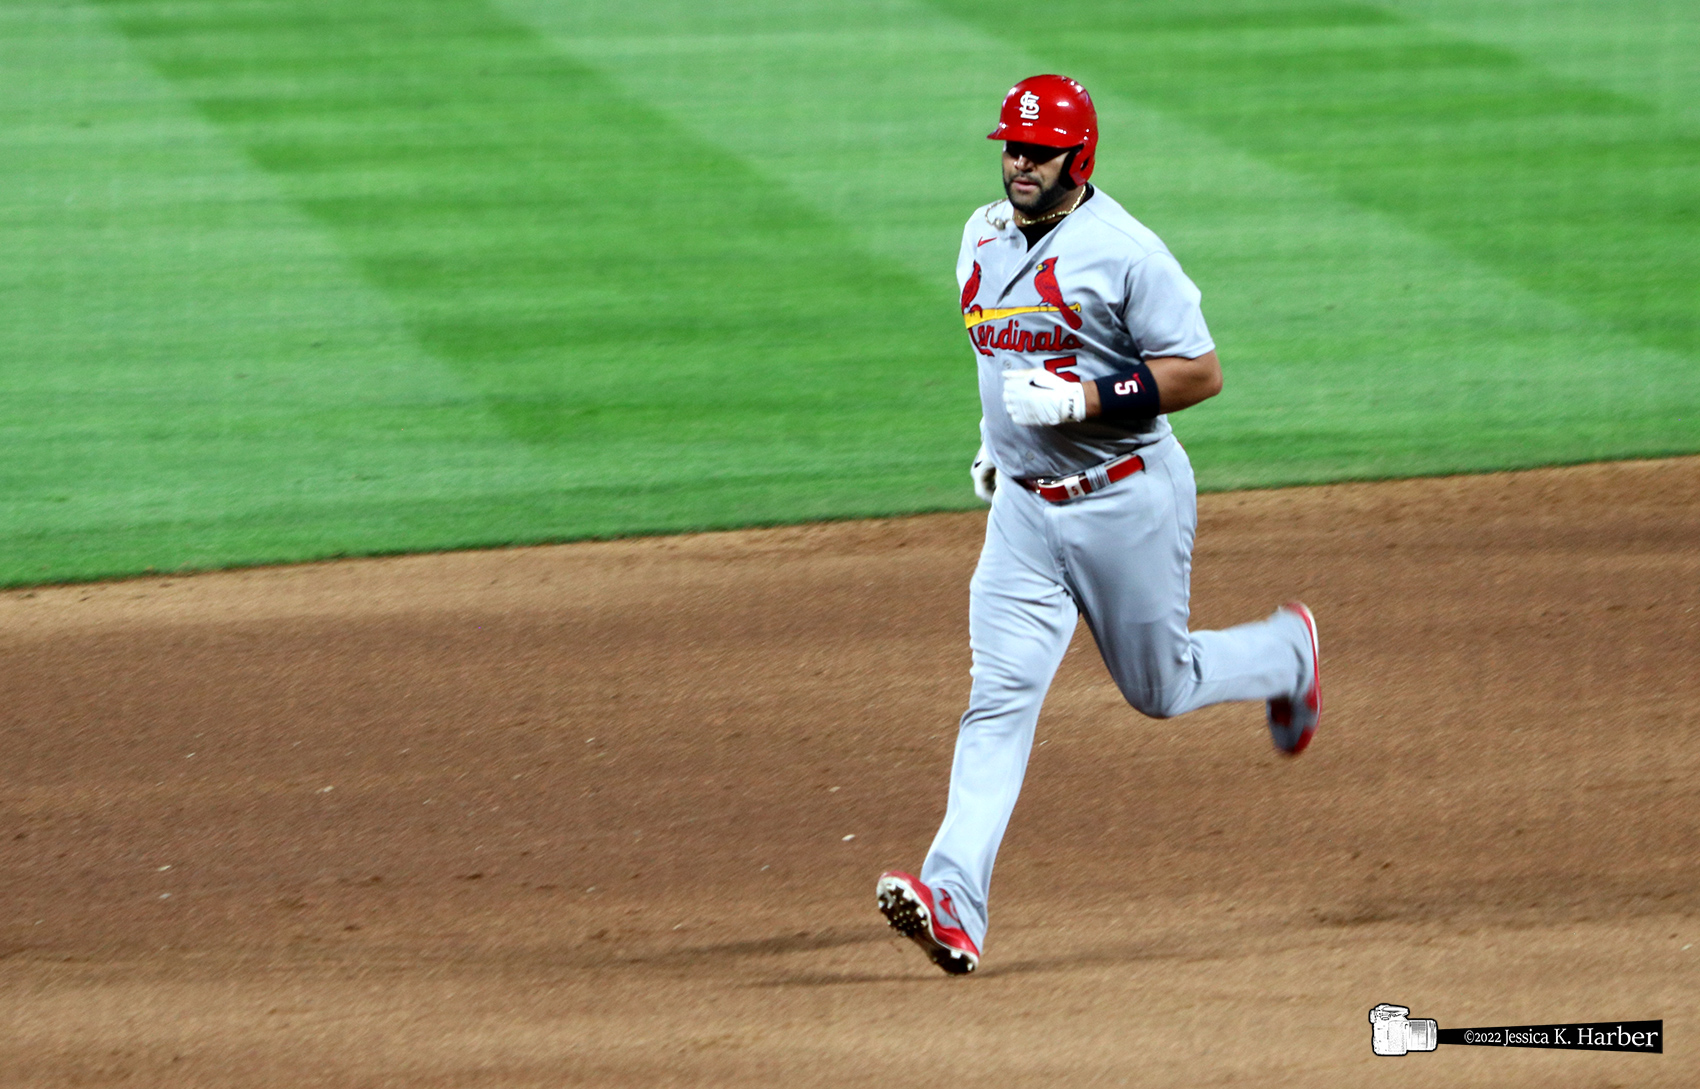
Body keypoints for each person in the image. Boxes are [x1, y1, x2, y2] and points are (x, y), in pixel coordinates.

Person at [876, 75, 1320, 976]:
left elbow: (1199, 371)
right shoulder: (980, 234)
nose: (1020, 163)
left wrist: (1085, 398)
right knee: (999, 698)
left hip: (1125, 499)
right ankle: (953, 901)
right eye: (1012, 147)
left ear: (1078, 158)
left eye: (1039, 152)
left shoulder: (1126, 252)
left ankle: (1286, 655)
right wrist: (997, 441)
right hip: (1023, 514)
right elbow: (1000, 349)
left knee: (1160, 687)